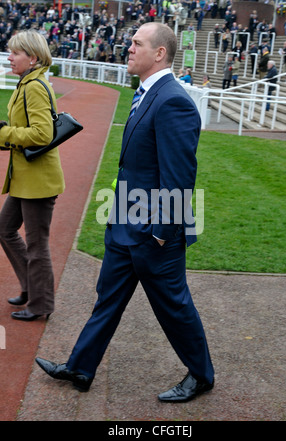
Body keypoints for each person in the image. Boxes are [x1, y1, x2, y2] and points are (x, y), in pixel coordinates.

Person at [35, 22, 215, 402]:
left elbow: (179, 178)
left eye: (137, 43)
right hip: (125, 225)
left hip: (154, 233)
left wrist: (162, 232)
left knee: (174, 307)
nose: (128, 48)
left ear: (160, 53)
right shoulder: (148, 93)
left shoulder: (172, 100)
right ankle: (81, 367)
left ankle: (201, 376)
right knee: (108, 298)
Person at [0, 30, 65, 321]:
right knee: (4, 229)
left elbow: (42, 134)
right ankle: (31, 287)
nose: (10, 57)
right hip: (25, 180)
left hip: (38, 182)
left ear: (33, 58)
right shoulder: (26, 83)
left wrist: (3, 133)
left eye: (15, 53)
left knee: (37, 244)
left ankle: (41, 305)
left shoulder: (34, 86)